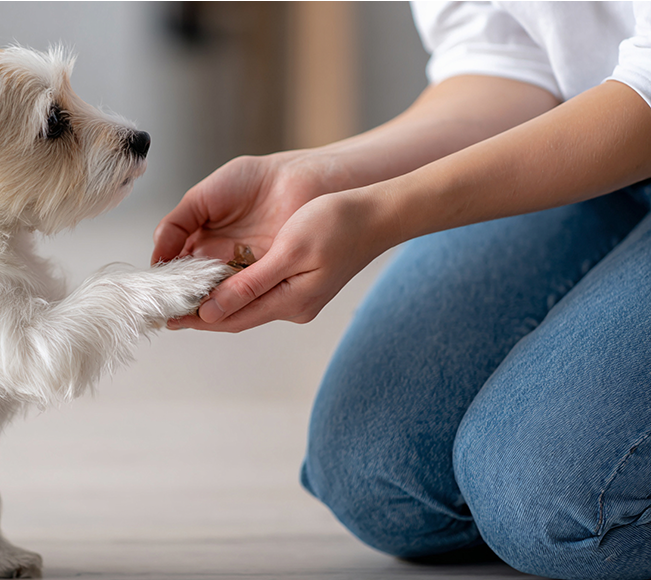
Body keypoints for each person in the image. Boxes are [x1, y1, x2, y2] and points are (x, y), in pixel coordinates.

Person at [151, 3, 651, 580]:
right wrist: (322, 174)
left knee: (557, 504)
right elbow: (504, 58)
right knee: (377, 480)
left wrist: (380, 212)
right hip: (597, 147)